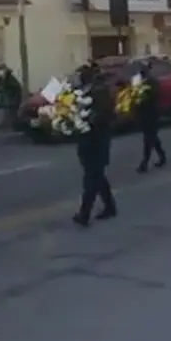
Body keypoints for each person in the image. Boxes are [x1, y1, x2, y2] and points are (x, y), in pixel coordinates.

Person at [72, 61, 118, 228]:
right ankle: (110, 206)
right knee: (97, 175)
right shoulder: (84, 92)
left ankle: (84, 213)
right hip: (87, 139)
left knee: (91, 177)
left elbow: (105, 114)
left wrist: (89, 118)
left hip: (97, 139)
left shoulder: (99, 92)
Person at [135, 61, 167, 173]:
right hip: (143, 114)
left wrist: (143, 95)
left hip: (151, 113)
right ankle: (162, 156)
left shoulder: (152, 82)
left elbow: (155, 95)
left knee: (149, 138)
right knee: (152, 137)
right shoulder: (139, 83)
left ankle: (144, 163)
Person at [0, 64, 23, 128]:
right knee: (6, 114)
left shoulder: (11, 79)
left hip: (12, 100)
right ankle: (9, 126)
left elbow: (17, 89)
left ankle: (15, 127)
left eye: (1, 70)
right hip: (5, 100)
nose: (0, 72)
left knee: (12, 114)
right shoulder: (0, 80)